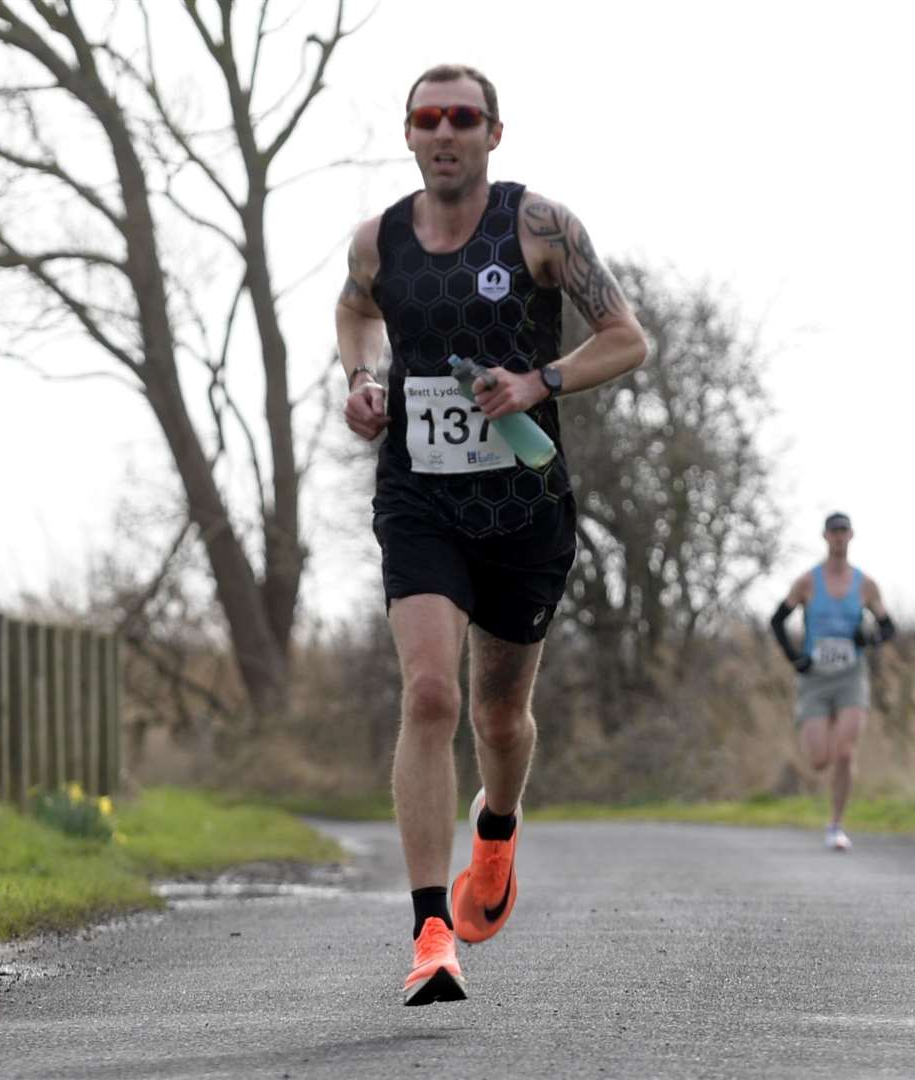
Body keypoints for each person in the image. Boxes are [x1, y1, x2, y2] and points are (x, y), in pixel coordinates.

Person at [336, 63, 647, 1006]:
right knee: (430, 695)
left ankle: (498, 831)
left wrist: (537, 382)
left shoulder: (539, 227)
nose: (444, 133)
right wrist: (359, 381)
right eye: (426, 118)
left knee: (499, 717)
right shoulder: (377, 240)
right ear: (408, 134)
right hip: (419, 502)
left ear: (492, 134)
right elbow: (355, 313)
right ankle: (431, 932)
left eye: (461, 118)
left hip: (523, 509)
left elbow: (626, 337)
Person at [769, 512, 896, 852]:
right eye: (833, 532)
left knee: (844, 753)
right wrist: (795, 658)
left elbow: (888, 628)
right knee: (819, 759)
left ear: (851, 536)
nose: (839, 537)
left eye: (844, 532)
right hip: (814, 679)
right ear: (825, 537)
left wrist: (867, 636)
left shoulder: (866, 585)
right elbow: (777, 620)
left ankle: (836, 825)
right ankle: (829, 802)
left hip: (851, 677)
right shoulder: (807, 582)